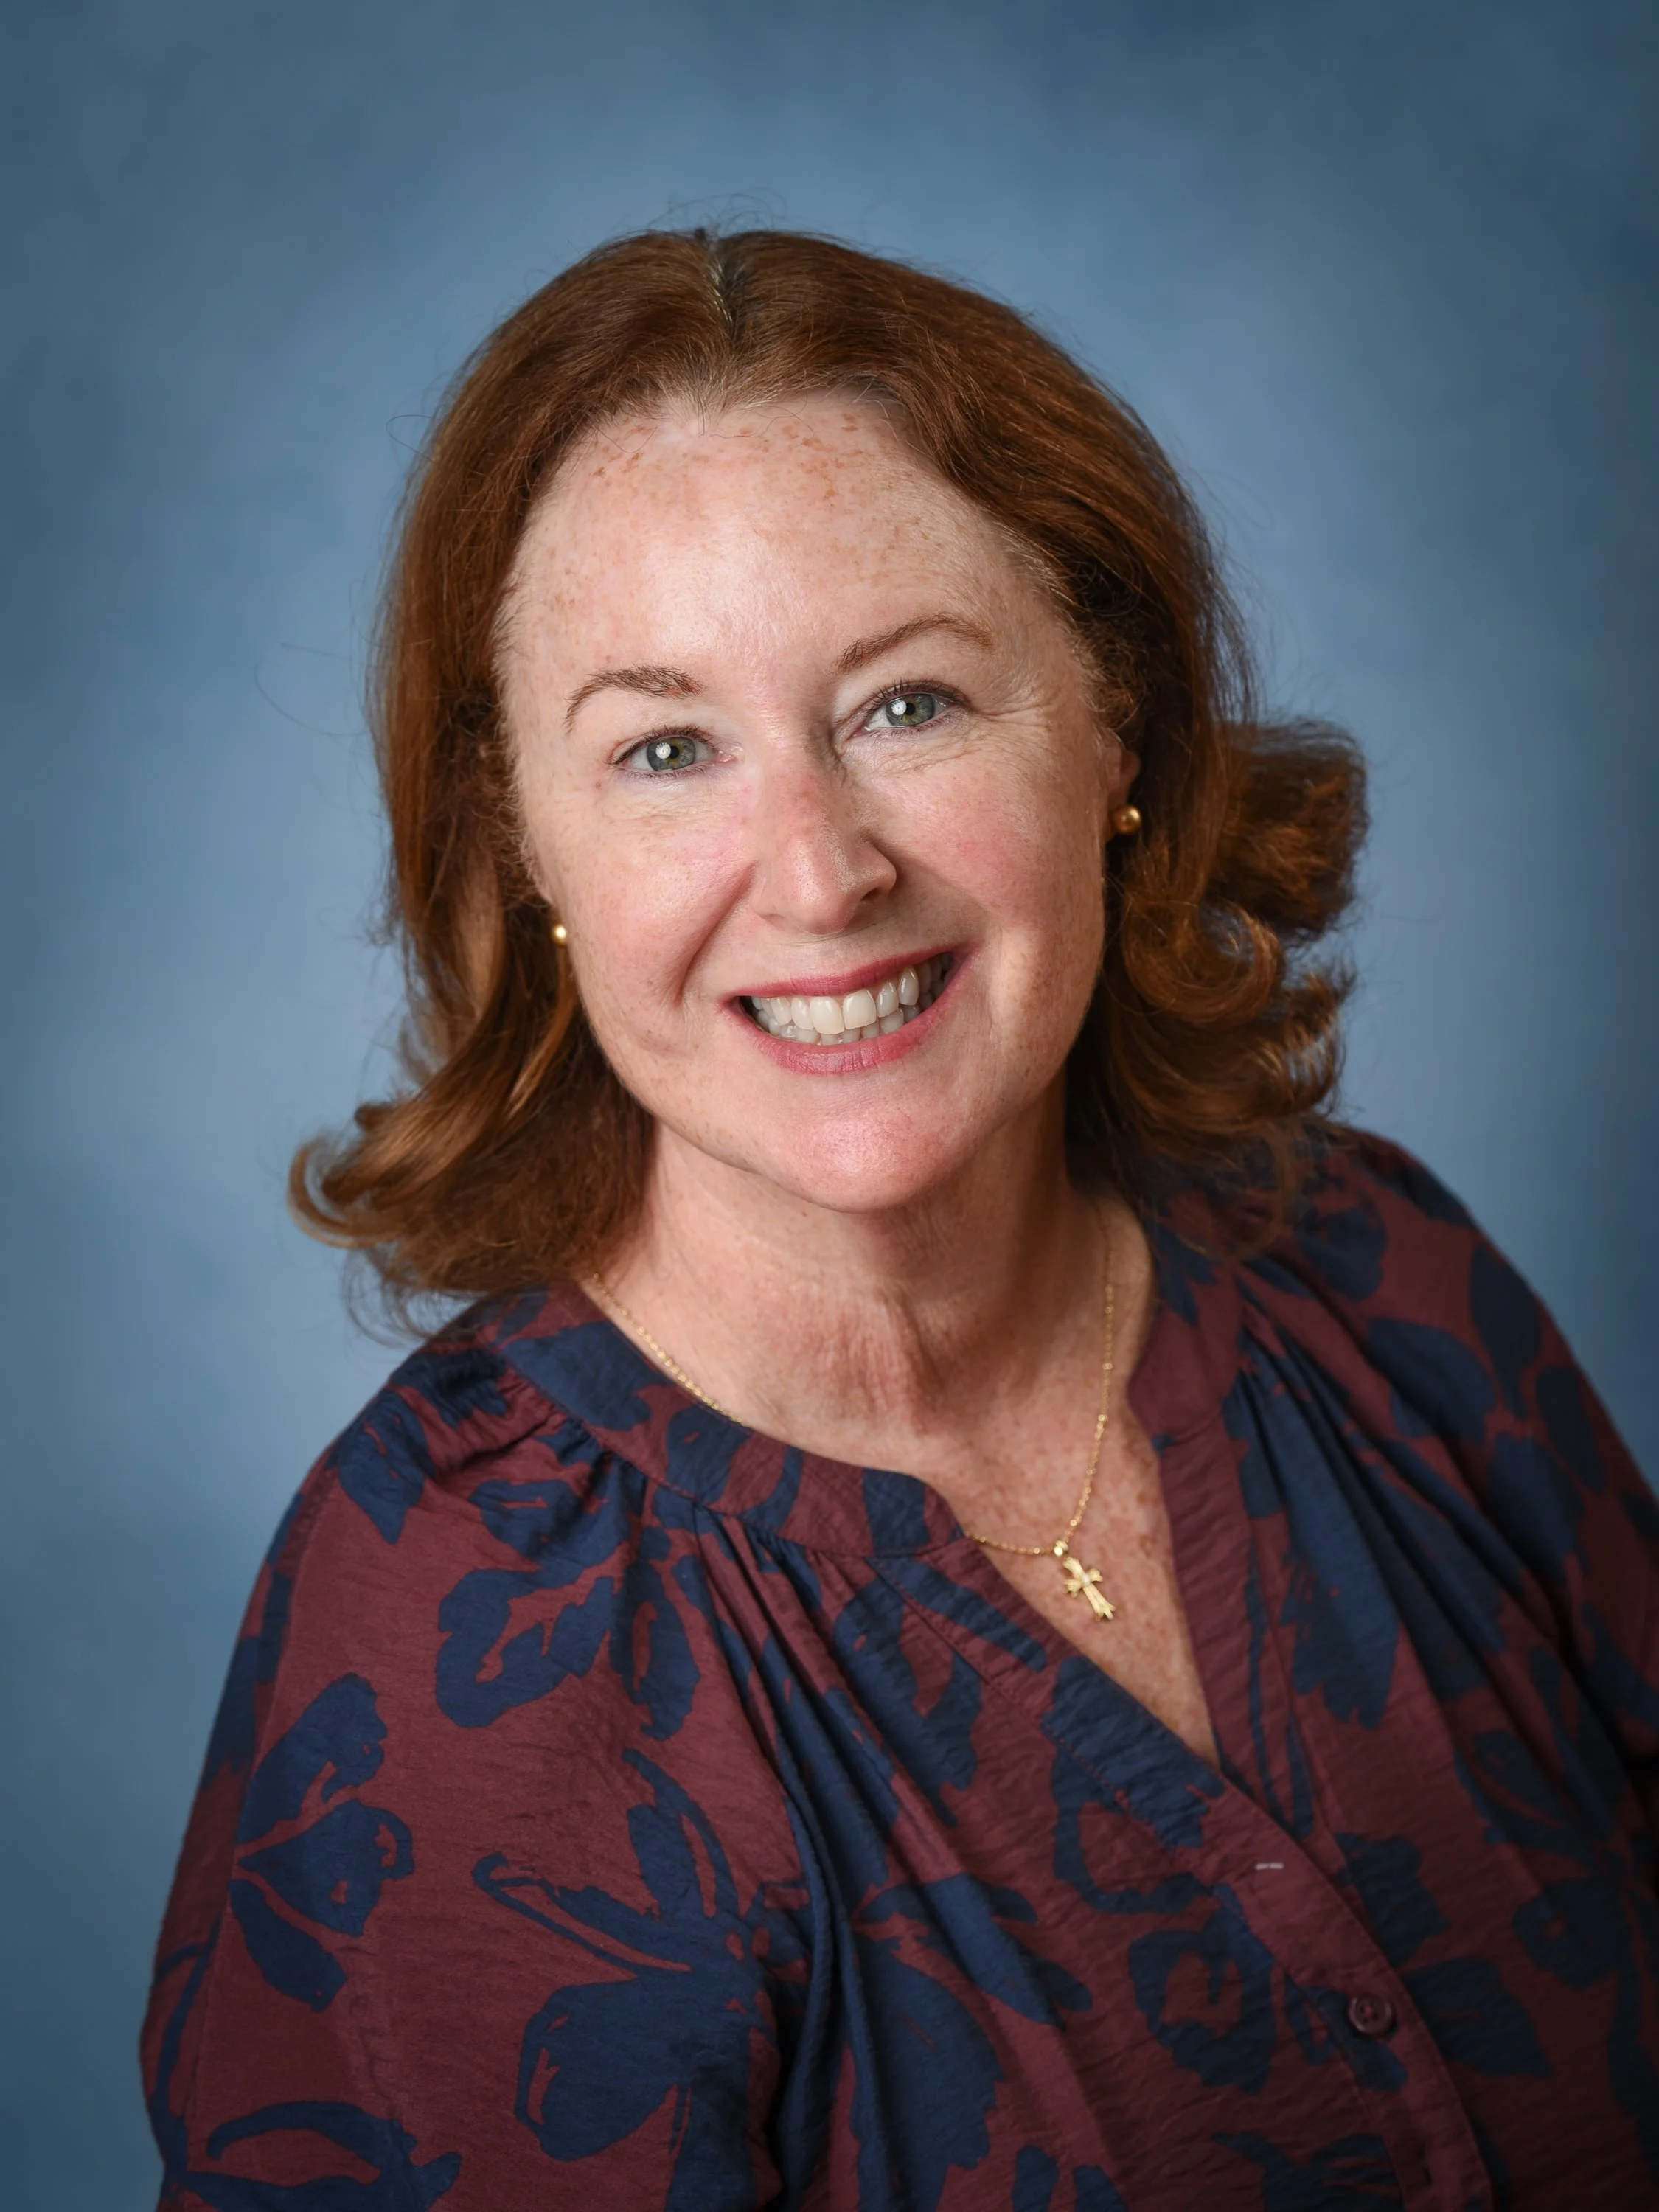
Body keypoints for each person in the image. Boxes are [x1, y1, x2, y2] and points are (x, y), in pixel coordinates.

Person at [142, 229, 1658, 2212]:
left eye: (909, 705)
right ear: (533, 850)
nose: (822, 872)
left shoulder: (1375, 1275)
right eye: (668, 749)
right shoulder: (451, 1632)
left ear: (1112, 727)